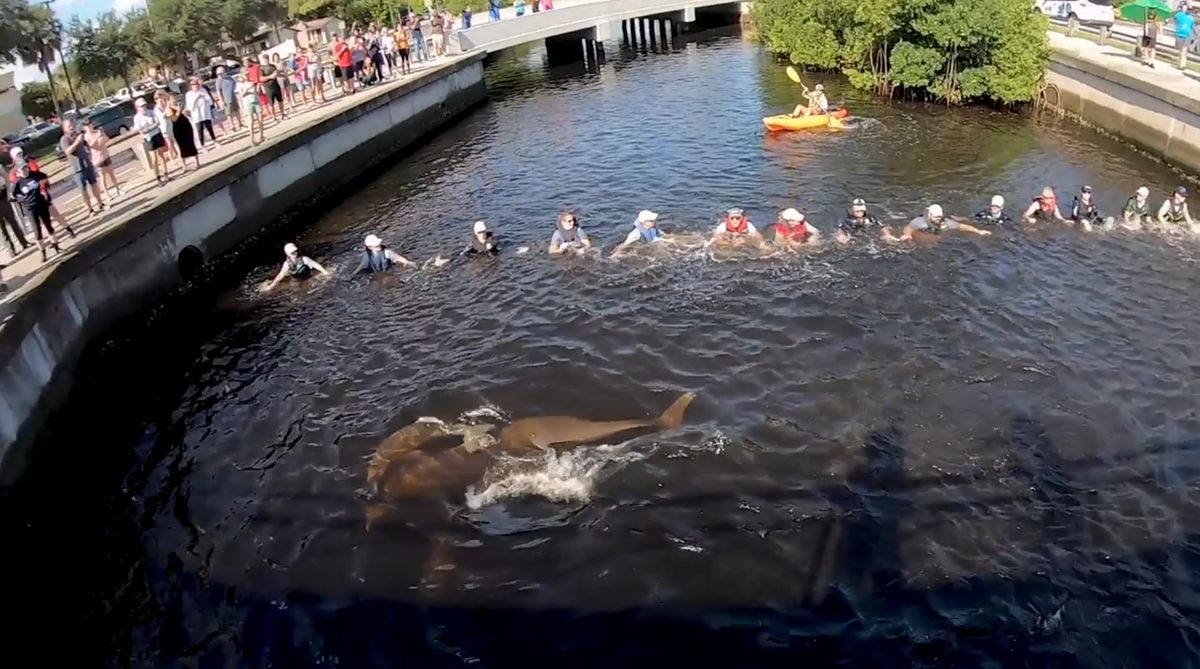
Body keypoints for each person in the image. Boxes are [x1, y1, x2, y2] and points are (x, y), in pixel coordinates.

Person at [7, 159, 73, 262]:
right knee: (37, 230)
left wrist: (43, 188)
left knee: (48, 225)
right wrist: (22, 199)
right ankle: (43, 252)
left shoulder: (35, 175)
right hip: (30, 208)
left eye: (26, 168)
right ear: (18, 172)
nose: (25, 171)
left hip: (41, 204)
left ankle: (56, 246)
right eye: (22, 169)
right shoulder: (18, 183)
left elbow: (44, 176)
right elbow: (12, 197)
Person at [58, 118, 107, 216]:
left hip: (87, 163)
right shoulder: (64, 139)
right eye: (69, 126)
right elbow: (67, 151)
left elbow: (86, 144)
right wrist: (76, 142)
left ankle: (100, 203)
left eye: (72, 125)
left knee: (94, 184)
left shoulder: (78, 134)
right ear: (64, 129)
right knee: (83, 189)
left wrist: (89, 153)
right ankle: (90, 209)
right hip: (78, 168)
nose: (72, 127)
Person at [887, 204, 992, 241]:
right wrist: (907, 235)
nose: (938, 219)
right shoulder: (920, 222)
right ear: (930, 215)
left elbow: (962, 227)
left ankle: (958, 216)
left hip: (941, 225)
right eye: (936, 217)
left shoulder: (944, 222)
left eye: (940, 217)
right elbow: (909, 227)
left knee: (958, 220)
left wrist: (978, 231)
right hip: (923, 225)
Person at [262, 242, 330, 291]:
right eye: (292, 252)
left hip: (308, 277)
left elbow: (317, 266)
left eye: (296, 251)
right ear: (287, 254)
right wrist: (271, 286)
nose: (295, 253)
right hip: (296, 280)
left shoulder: (304, 259)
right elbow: (280, 275)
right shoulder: (286, 264)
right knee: (294, 291)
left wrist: (325, 272)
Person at [83, 120, 121, 201]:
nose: (89, 126)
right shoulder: (86, 137)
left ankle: (118, 189)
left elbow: (107, 139)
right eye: (87, 125)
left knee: (112, 174)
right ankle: (107, 194)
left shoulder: (97, 131)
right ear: (84, 127)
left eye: (90, 124)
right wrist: (97, 137)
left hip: (105, 155)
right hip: (97, 159)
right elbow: (91, 145)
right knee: (102, 177)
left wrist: (102, 135)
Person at [134, 97, 170, 183]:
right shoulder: (137, 117)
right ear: (137, 107)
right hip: (149, 138)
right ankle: (158, 178)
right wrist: (149, 128)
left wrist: (149, 128)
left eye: (144, 105)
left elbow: (157, 122)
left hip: (156, 134)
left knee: (161, 155)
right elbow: (141, 130)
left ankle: (166, 174)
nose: (144, 107)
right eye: (141, 106)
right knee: (154, 158)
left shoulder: (150, 112)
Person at [185, 77, 218, 152]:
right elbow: (190, 106)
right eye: (193, 85)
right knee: (200, 131)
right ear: (190, 86)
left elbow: (210, 101)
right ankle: (203, 146)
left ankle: (215, 141)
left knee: (210, 128)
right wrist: (196, 98)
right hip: (197, 115)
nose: (195, 86)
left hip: (205, 113)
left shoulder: (203, 90)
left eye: (196, 84)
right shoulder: (189, 94)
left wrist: (204, 97)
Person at [167, 99, 200, 172]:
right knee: (181, 147)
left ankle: (197, 162)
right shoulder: (169, 109)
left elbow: (187, 113)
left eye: (174, 99)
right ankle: (184, 166)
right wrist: (178, 111)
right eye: (172, 100)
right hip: (178, 129)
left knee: (191, 143)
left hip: (186, 126)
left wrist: (183, 110)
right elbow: (174, 119)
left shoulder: (180, 105)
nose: (174, 101)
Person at [237, 73, 266, 145]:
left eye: (247, 75)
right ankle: (252, 139)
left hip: (255, 100)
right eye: (245, 75)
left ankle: (261, 136)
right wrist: (247, 89)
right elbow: (241, 95)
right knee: (251, 121)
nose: (247, 76)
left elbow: (257, 93)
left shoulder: (252, 82)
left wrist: (258, 87)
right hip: (247, 102)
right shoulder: (240, 84)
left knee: (260, 119)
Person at [214, 66, 242, 133]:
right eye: (218, 74)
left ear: (224, 72)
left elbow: (235, 85)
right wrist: (221, 100)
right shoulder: (219, 81)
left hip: (233, 97)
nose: (220, 75)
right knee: (229, 113)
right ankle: (232, 126)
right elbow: (218, 92)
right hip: (226, 99)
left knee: (237, 110)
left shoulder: (230, 78)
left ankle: (240, 123)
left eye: (221, 73)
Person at [1176, 4, 1195, 69]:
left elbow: (1193, 27)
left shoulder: (1191, 18)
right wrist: (1178, 9)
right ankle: (1180, 64)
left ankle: (1182, 65)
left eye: (1190, 10)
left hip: (1186, 36)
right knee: (1180, 50)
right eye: (1188, 9)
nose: (1189, 11)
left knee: (1184, 50)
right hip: (1179, 34)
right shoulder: (1180, 15)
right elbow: (1174, 17)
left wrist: (1196, 34)